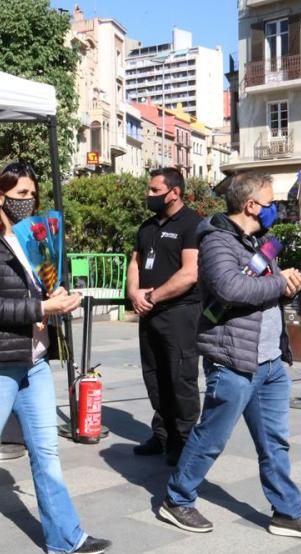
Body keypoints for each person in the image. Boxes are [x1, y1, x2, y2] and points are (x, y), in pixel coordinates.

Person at [0, 162, 110, 554]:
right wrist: (41, 306)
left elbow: (36, 291)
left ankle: (66, 537)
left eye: (33, 195)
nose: (29, 202)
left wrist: (57, 299)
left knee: (45, 449)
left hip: (33, 358)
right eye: (22, 195)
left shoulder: (31, 239)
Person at [158, 172, 301, 541]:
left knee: (275, 442)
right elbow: (230, 287)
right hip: (234, 359)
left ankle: (287, 512)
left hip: (269, 360)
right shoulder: (217, 241)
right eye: (271, 204)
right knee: (211, 437)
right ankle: (177, 499)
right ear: (251, 205)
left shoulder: (258, 242)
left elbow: (260, 293)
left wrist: (286, 288)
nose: (276, 211)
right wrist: (277, 281)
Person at [126, 168, 203, 467]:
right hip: (150, 313)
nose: (149, 195)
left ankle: (184, 441)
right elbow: (135, 261)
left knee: (180, 377)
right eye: (149, 189)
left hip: (180, 314)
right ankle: (162, 434)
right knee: (154, 375)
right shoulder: (146, 227)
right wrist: (134, 292)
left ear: (175, 193)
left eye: (155, 190)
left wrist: (152, 296)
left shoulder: (192, 224)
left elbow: (190, 273)